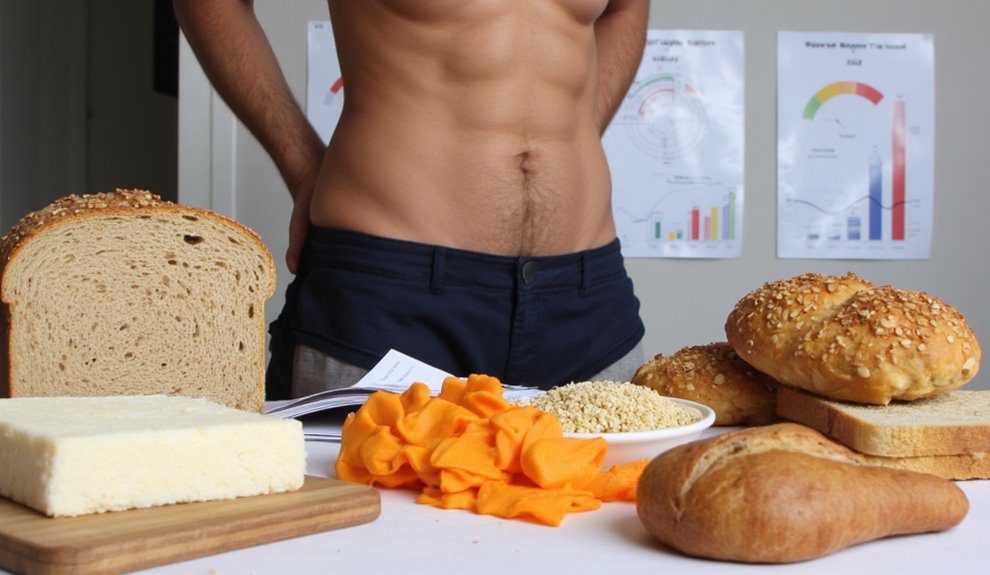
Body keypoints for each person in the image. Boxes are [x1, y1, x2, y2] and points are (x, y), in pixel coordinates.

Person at [174, 0, 650, 397]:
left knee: (609, 509)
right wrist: (302, 167)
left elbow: (626, 8)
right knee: (359, 509)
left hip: (588, 302)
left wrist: (570, 139)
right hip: (390, 296)